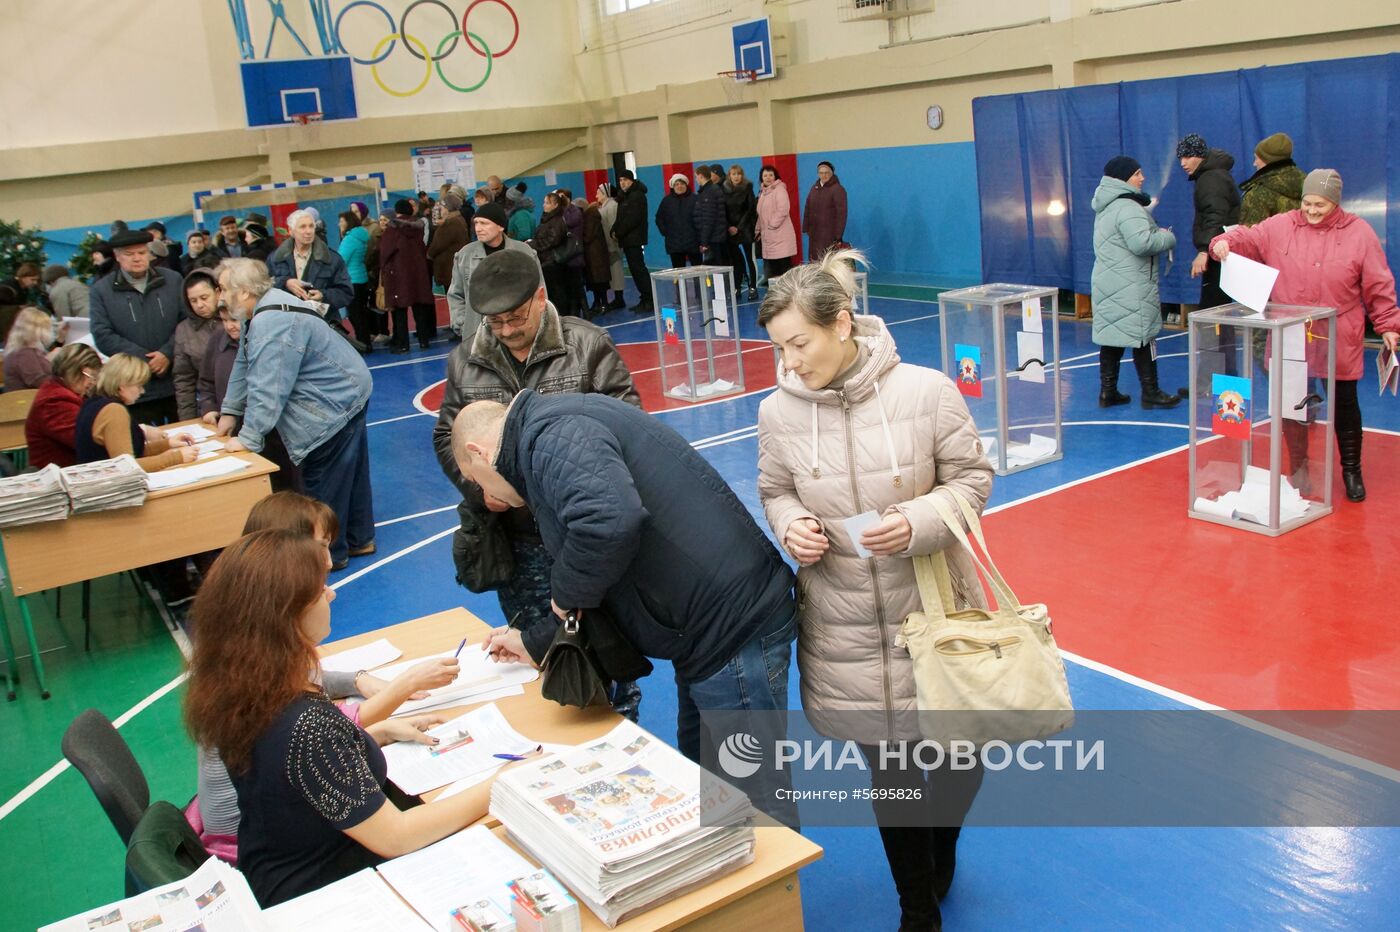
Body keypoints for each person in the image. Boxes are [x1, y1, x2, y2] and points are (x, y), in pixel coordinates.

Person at [755, 248, 993, 930]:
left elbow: (972, 481)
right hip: (845, 624)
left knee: (959, 762)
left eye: (799, 343)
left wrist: (918, 520)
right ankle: (916, 907)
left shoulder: (926, 392)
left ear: (843, 325)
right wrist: (793, 523)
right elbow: (774, 489)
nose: (790, 361)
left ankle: (941, 841)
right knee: (892, 775)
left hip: (935, 610)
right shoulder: (778, 413)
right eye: (779, 348)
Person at [455, 389, 798, 820]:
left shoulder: (551, 435)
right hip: (705, 628)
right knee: (703, 774)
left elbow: (607, 522)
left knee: (751, 797)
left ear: (479, 453)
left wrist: (561, 599)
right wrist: (538, 639)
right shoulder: (551, 429)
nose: (490, 498)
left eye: (475, 480)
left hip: (730, 627)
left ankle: (773, 883)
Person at [184, 531, 492, 906]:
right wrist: (503, 786)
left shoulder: (241, 687)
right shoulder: (305, 723)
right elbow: (398, 837)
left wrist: (373, 734)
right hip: (325, 891)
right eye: (320, 589)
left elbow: (286, 774)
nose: (331, 594)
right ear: (288, 614)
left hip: (276, 870)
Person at [432, 249, 642, 720]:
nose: (505, 330)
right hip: (518, 540)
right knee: (536, 657)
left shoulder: (587, 345)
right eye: (495, 322)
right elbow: (448, 436)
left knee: (606, 651)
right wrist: (480, 491)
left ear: (541, 297)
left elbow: (630, 424)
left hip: (581, 535)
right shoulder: (467, 360)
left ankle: (620, 731)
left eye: (515, 318)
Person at [1211, 168, 1400, 503]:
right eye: (1307, 203)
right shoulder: (1281, 226)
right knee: (1292, 407)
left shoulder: (1360, 233)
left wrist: (1387, 325)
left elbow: (1377, 283)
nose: (1311, 211)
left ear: (1336, 204)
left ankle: (1351, 469)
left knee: (1344, 403)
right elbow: (1248, 237)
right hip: (1290, 332)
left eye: (1320, 205)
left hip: (1338, 332)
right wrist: (1224, 243)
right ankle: (1299, 469)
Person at [216, 258, 375, 567]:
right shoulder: (263, 308)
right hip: (348, 391)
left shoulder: (270, 321)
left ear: (244, 291)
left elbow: (269, 385)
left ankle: (331, 555)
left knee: (323, 485)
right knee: (350, 475)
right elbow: (245, 362)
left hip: (331, 405)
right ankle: (359, 539)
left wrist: (248, 437)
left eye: (223, 289)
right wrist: (231, 411)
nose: (220, 297)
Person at [1090, 156, 1181, 409]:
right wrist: (1167, 238)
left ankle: (1108, 392)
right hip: (1132, 284)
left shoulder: (1106, 206)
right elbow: (1142, 244)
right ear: (1123, 178)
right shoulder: (1129, 207)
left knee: (1111, 337)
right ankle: (1150, 391)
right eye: (1137, 173)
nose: (1142, 178)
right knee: (1144, 337)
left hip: (1108, 281)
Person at [88, 228, 185, 425]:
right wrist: (143, 360)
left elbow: (186, 322)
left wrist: (167, 353)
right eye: (129, 254)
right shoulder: (101, 290)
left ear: (149, 253)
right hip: (132, 387)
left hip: (176, 381)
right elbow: (102, 333)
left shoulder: (172, 280)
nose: (137, 258)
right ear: (117, 256)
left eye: (141, 253)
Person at [74, 353, 197, 472]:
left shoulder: (93, 403)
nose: (142, 391)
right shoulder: (113, 411)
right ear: (122, 386)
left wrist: (168, 444)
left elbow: (132, 450)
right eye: (139, 386)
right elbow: (127, 466)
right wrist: (176, 458)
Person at [267, 209, 360, 351]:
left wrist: (323, 295)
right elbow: (265, 288)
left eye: (311, 226)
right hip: (287, 330)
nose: (308, 231)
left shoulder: (332, 259)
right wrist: (285, 282)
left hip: (324, 328)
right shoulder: (275, 259)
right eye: (302, 227)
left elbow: (346, 293)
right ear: (291, 231)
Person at [446, 202, 538, 341]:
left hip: (519, 332)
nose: (478, 228)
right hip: (478, 336)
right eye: (476, 223)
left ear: (500, 226)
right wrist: (462, 324)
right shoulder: (465, 255)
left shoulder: (524, 253)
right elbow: (455, 294)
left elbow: (539, 291)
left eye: (484, 223)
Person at [1175, 133, 1239, 312]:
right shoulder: (1214, 175)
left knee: (1214, 309)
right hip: (1221, 248)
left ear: (1200, 155)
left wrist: (1204, 251)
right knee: (1220, 307)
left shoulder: (1210, 179)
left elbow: (1215, 214)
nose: (1183, 163)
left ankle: (1216, 341)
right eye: (1181, 158)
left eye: (1188, 156)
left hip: (1217, 251)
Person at [24, 343, 102, 469]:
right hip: (59, 476)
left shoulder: (60, 390)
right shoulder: (55, 400)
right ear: (73, 370)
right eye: (91, 376)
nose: (92, 383)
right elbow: (84, 441)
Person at [379, 199, 437, 353]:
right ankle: (424, 341)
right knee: (419, 308)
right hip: (417, 273)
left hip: (398, 274)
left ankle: (403, 344)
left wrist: (383, 267)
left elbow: (385, 252)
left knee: (400, 311)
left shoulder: (393, 229)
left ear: (397, 212)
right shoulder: (418, 227)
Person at [172, 269, 222, 420]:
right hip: (209, 408)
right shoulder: (184, 330)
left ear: (218, 292)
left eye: (204, 297)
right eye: (193, 301)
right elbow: (184, 379)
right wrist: (187, 420)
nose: (200, 305)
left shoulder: (234, 320)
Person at [1239, 133, 1304, 228]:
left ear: (1268, 161)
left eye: (1256, 158)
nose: (1254, 163)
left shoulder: (1257, 195)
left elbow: (1249, 237)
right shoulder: (1310, 184)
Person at [531, 191, 579, 317]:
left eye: (547, 203)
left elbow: (551, 241)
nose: (544, 205)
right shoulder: (547, 220)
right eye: (544, 202)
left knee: (557, 293)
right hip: (546, 261)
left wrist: (533, 244)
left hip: (552, 263)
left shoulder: (556, 221)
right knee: (553, 293)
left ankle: (561, 318)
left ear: (555, 205)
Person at [611, 170, 652, 313]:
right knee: (635, 270)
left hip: (634, 238)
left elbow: (632, 219)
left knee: (639, 269)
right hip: (628, 239)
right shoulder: (625, 196)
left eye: (625, 180)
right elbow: (621, 217)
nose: (622, 183)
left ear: (631, 181)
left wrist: (619, 232)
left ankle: (649, 299)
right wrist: (614, 229)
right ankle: (644, 298)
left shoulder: (637, 196)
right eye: (620, 180)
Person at [427, 190, 473, 306]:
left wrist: (429, 255)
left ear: (448, 208)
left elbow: (437, 245)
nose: (440, 210)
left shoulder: (450, 223)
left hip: (449, 268)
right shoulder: (459, 219)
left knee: (455, 303)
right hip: (454, 266)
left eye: (442, 207)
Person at [337, 211, 373, 352]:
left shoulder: (350, 239)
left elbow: (341, 259)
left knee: (355, 314)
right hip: (361, 277)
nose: (339, 224)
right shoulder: (360, 237)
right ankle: (365, 340)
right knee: (361, 313)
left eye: (341, 221)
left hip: (352, 280)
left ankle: (362, 343)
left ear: (348, 222)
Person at [755, 164, 798, 283]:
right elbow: (760, 214)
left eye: (770, 175)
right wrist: (757, 230)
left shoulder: (780, 190)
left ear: (775, 176)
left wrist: (771, 225)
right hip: (768, 239)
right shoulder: (762, 193)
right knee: (772, 272)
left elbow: (783, 209)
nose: (768, 177)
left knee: (784, 270)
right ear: (761, 178)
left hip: (780, 238)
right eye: (765, 175)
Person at [199, 304, 240, 425]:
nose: (229, 326)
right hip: (225, 421)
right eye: (224, 320)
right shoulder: (217, 338)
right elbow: (206, 382)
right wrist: (209, 408)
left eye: (234, 320)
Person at [3, 307, 63, 390]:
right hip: (28, 399)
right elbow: (38, 381)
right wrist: (67, 380)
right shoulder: (24, 354)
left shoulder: (27, 350)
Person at [724, 165, 759, 301]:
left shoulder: (748, 189)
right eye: (733, 174)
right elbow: (723, 212)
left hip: (745, 230)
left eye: (739, 174)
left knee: (750, 260)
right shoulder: (724, 191)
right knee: (735, 261)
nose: (736, 176)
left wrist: (738, 227)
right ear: (729, 176)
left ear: (742, 175)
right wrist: (729, 227)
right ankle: (736, 287)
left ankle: (753, 287)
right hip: (731, 232)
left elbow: (750, 210)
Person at [803, 161, 848, 260]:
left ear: (832, 173)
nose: (824, 175)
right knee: (814, 259)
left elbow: (842, 214)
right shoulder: (814, 188)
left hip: (829, 234)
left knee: (827, 260)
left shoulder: (838, 189)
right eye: (821, 173)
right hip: (814, 232)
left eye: (826, 172)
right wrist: (806, 227)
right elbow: (807, 207)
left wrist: (838, 235)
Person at [655, 174, 701, 268]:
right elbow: (659, 218)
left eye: (682, 184)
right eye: (676, 184)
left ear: (686, 185)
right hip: (674, 244)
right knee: (678, 273)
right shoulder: (666, 201)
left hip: (694, 242)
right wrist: (665, 232)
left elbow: (702, 218)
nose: (679, 186)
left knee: (698, 271)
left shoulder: (695, 199)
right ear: (673, 186)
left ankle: (699, 284)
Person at [581, 190, 613, 317]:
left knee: (599, 281)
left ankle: (603, 303)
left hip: (595, 254)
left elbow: (588, 236)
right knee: (597, 280)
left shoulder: (591, 217)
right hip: (595, 254)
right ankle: (599, 302)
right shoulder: (592, 215)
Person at [595, 184, 626, 311]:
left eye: (599, 191)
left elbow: (613, 226)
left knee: (616, 271)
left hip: (612, 245)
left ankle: (619, 299)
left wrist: (614, 244)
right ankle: (617, 297)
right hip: (607, 244)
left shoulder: (612, 205)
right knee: (613, 272)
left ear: (605, 193)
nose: (596, 194)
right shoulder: (605, 205)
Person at [692, 165, 728, 267]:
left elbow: (708, 219)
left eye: (696, 176)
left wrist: (704, 242)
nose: (696, 179)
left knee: (717, 268)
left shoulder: (709, 192)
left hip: (714, 237)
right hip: (716, 236)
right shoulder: (710, 190)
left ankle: (721, 283)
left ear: (701, 176)